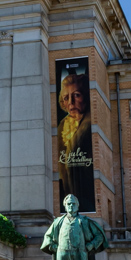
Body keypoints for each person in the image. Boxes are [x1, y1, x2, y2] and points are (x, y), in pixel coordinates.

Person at [57, 72, 94, 210]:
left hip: (87, 198)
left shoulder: (91, 122)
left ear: (85, 95)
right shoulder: (62, 125)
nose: (71, 102)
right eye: (66, 98)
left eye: (76, 95)